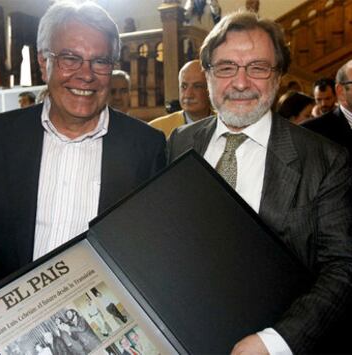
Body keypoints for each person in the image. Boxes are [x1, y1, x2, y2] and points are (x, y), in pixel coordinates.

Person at [0, 0, 166, 340]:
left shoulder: (147, 147)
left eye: (100, 61)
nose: (86, 74)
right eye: (70, 58)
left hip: (102, 331)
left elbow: (153, 249)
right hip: (8, 332)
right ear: (43, 61)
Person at [167, 11, 352, 354]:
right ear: (207, 74)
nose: (240, 83)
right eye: (225, 67)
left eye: (257, 67)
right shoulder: (180, 142)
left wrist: (275, 343)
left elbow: (343, 269)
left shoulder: (326, 161)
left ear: (279, 76)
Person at [149, 60, 212, 138]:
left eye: (197, 86)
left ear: (210, 89)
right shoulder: (155, 130)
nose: (188, 95)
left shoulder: (227, 126)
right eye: (184, 86)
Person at [303, 60, 352, 157]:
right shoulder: (309, 133)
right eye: (319, 99)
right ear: (341, 91)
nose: (324, 103)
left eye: (327, 98)